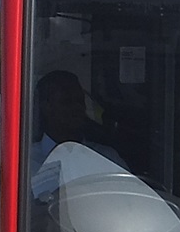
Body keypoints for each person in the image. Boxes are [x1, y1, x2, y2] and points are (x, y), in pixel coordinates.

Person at [29, 69, 127, 200]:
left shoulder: (107, 158)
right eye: (67, 102)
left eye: (80, 101)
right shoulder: (25, 163)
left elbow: (130, 202)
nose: (77, 108)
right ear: (46, 107)